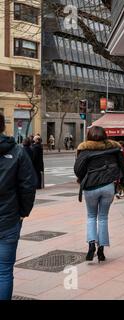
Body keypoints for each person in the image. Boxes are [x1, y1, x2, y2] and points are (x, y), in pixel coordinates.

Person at [74, 126, 124, 263]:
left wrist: (84, 178)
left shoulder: (85, 150)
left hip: (91, 188)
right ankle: (101, 251)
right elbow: (123, 167)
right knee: (103, 218)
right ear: (105, 135)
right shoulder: (114, 148)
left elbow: (77, 170)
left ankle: (91, 244)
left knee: (91, 216)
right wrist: (123, 181)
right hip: (108, 187)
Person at [0, 112, 37, 300]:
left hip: (9, 217)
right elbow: (28, 185)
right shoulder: (17, 151)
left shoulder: (18, 151)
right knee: (4, 271)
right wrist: (23, 212)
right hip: (8, 219)